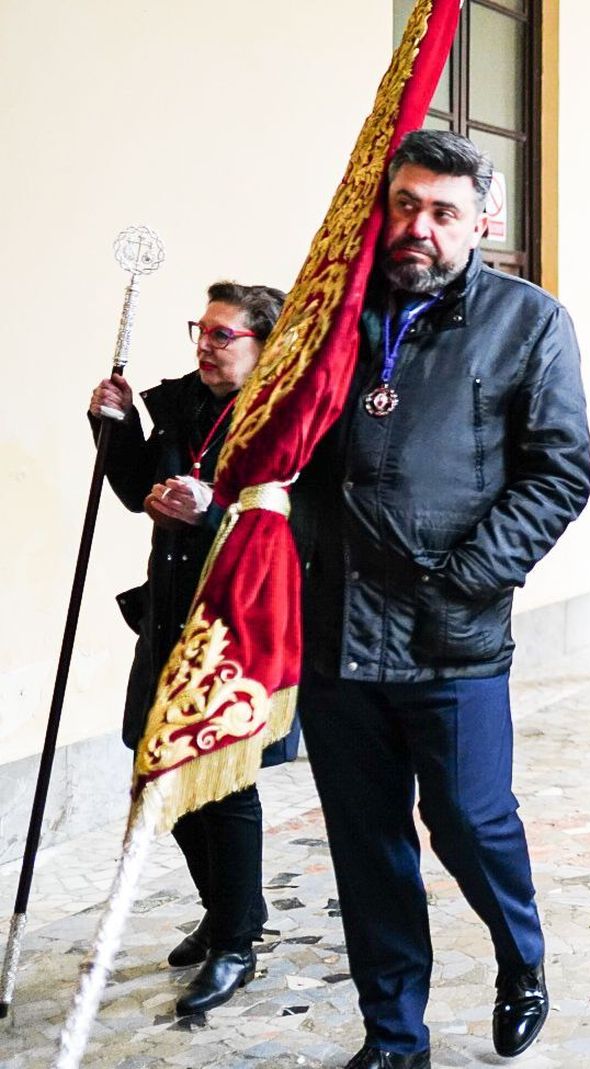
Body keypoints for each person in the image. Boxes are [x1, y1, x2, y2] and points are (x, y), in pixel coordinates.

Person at [291, 130, 590, 1069]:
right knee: (368, 844)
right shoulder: (335, 317)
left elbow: (559, 474)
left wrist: (466, 580)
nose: (418, 227)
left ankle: (521, 955)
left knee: (469, 819)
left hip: (450, 632)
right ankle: (394, 1035)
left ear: (482, 224)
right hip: (338, 627)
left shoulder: (529, 321)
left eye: (443, 211)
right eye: (406, 204)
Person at [90, 281, 296, 1017]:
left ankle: (238, 940)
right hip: (169, 611)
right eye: (200, 331)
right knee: (157, 762)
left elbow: (286, 529)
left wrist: (210, 515)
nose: (205, 346)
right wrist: (108, 425)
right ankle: (224, 909)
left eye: (222, 335)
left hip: (236, 621)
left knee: (221, 780)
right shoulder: (179, 404)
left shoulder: (281, 421)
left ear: (262, 345)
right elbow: (135, 486)